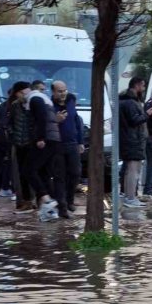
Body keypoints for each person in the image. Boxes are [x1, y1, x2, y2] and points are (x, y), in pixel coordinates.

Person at [25, 80, 64, 221]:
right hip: (53, 139)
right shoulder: (46, 100)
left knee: (30, 170)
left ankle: (47, 201)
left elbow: (40, 118)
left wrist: (40, 138)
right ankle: (49, 211)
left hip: (45, 139)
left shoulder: (34, 98)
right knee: (44, 173)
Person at [119, 77, 152, 208]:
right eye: (143, 86)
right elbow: (134, 120)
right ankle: (130, 197)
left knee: (130, 170)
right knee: (133, 170)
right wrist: (146, 115)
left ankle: (129, 196)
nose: (144, 89)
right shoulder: (131, 103)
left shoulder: (125, 101)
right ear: (137, 85)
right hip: (133, 140)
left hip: (130, 139)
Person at [52, 80, 83, 216]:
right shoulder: (49, 106)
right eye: (60, 91)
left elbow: (77, 122)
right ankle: (62, 206)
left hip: (72, 143)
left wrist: (80, 142)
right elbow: (44, 123)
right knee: (60, 176)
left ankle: (69, 200)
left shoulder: (70, 103)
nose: (63, 93)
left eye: (64, 90)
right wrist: (55, 120)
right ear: (53, 92)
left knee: (75, 173)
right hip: (57, 145)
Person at [9, 81, 36, 213]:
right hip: (19, 145)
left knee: (33, 173)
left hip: (32, 145)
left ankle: (36, 199)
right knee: (22, 174)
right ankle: (26, 201)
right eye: (23, 93)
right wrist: (12, 135)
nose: (25, 95)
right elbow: (9, 123)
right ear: (17, 93)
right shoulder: (14, 106)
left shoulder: (34, 104)